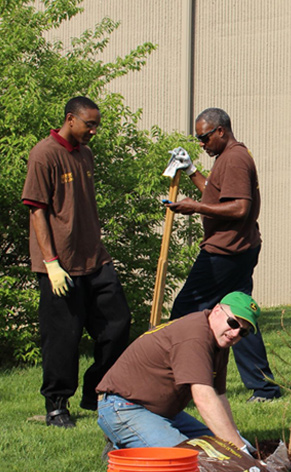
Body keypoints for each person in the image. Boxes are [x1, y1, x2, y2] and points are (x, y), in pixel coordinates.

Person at [22, 96, 131, 429]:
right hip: (61, 265)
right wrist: (51, 263)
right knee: (62, 339)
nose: (94, 131)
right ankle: (56, 405)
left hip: (94, 258)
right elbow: (37, 210)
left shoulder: (85, 154)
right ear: (71, 119)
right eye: (89, 124)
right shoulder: (44, 154)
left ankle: (95, 390)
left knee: (118, 324)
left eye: (97, 125)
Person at [167, 108, 280, 403]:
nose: (201, 144)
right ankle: (265, 388)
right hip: (238, 248)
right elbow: (216, 194)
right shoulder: (226, 158)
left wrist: (196, 208)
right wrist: (192, 172)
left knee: (184, 313)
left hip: (225, 252)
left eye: (204, 138)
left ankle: (174, 384)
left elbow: (239, 207)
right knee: (239, 315)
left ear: (221, 131)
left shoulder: (235, 159)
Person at [96, 292, 259, 451]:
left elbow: (219, 396)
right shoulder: (195, 337)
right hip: (125, 406)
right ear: (217, 310)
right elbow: (204, 398)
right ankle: (125, 440)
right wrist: (240, 449)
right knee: (190, 460)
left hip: (164, 412)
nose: (236, 333)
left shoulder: (219, 341)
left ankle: (131, 442)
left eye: (243, 332)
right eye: (233, 322)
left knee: (220, 451)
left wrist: (235, 440)